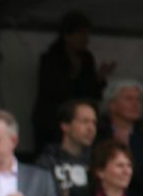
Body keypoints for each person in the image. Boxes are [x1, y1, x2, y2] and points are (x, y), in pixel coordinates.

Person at [32, 12, 114, 149]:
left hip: (80, 119)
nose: (86, 39)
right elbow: (51, 90)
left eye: (87, 35)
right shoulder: (51, 58)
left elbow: (90, 93)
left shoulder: (86, 59)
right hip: (51, 120)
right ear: (67, 36)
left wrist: (99, 79)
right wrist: (72, 75)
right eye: (81, 34)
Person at [35, 99, 98, 196]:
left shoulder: (97, 161)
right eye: (85, 122)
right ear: (65, 126)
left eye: (94, 123)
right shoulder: (47, 161)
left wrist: (69, 193)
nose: (91, 128)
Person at [96, 79, 143, 196]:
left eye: (138, 100)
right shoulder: (97, 133)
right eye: (129, 99)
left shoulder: (140, 134)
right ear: (112, 104)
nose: (136, 104)